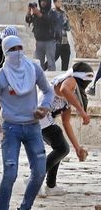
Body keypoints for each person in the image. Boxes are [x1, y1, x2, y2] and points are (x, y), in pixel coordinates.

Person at [0, 35, 54, 210]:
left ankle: (25, 207)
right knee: (10, 174)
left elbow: (48, 91)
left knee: (39, 172)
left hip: (33, 127)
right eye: (12, 50)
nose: (17, 53)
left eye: (20, 48)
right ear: (6, 53)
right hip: (11, 129)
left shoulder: (34, 69)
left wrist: (44, 107)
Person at [38, 62, 92, 197]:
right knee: (61, 147)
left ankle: (51, 185)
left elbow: (66, 123)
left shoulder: (68, 101)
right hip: (38, 114)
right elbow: (64, 89)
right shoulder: (69, 80)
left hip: (44, 119)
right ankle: (35, 179)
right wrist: (82, 112)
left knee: (60, 148)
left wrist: (77, 148)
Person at [25, 0, 61, 71]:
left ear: (48, 2)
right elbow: (28, 20)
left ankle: (51, 79)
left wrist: (39, 14)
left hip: (49, 41)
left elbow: (48, 21)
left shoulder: (52, 13)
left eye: (44, 1)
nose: (42, 3)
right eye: (41, 1)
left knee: (51, 63)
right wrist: (29, 11)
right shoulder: (37, 13)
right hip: (38, 42)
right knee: (37, 63)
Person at [51, 0, 71, 71]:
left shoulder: (64, 13)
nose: (61, 4)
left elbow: (68, 28)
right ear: (55, 3)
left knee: (65, 63)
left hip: (65, 42)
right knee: (51, 61)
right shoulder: (51, 13)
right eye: (59, 2)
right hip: (56, 42)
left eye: (62, 2)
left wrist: (67, 19)